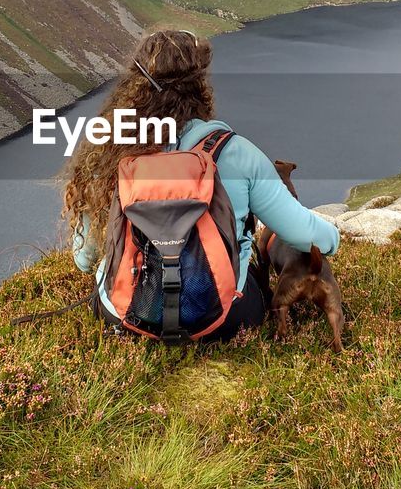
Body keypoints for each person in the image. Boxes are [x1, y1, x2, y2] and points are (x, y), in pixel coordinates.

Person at [64, 29, 340, 342]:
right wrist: (334, 237)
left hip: (124, 313)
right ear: (200, 84)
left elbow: (84, 259)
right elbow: (306, 236)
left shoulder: (110, 149)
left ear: (134, 86)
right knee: (250, 272)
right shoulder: (235, 152)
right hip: (222, 318)